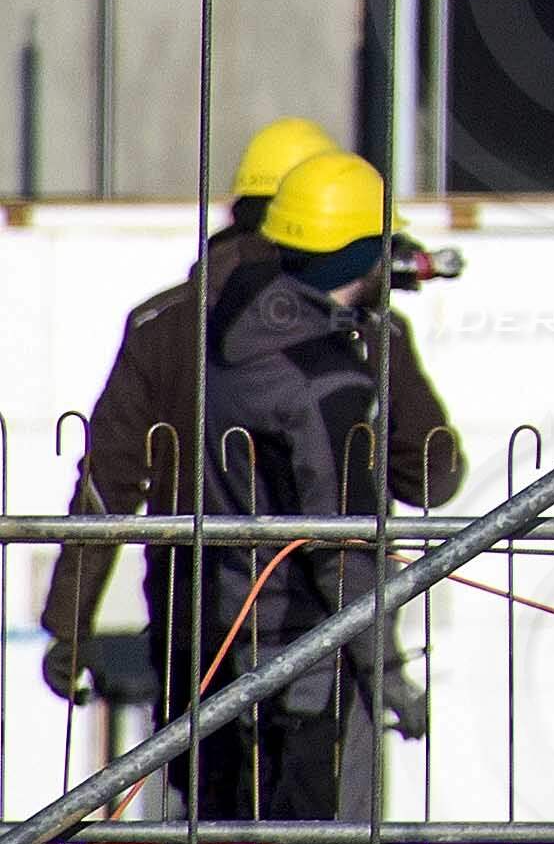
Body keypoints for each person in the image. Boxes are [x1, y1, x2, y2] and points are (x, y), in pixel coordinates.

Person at [108, 149, 464, 844]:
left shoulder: (229, 332)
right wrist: (387, 670)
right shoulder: (323, 382)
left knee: (203, 825)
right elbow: (347, 545)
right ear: (365, 255)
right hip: (305, 645)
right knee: (327, 833)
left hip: (211, 626)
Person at [35, 121, 427, 723]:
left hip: (190, 624)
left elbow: (107, 482)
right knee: (321, 817)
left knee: (206, 814)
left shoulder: (160, 323)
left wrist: (69, 624)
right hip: (322, 635)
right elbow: (431, 476)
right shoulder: (350, 335)